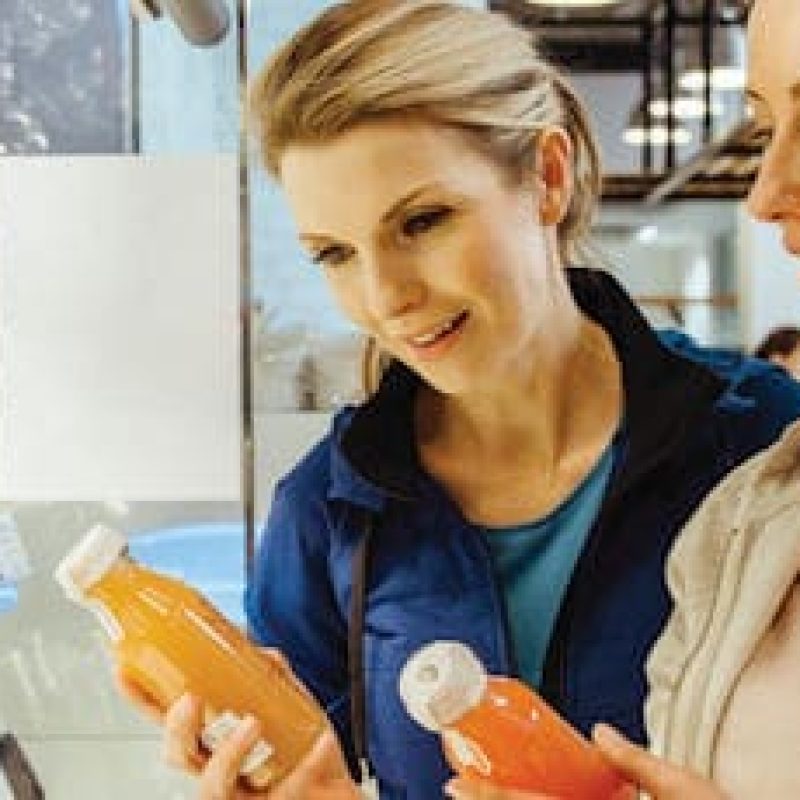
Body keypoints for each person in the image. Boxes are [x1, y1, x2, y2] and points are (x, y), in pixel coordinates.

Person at [128, 1, 800, 798]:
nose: (386, 297)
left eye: (422, 221)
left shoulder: (763, 446)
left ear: (548, 177)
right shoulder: (328, 517)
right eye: (335, 254)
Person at [448, 0, 800, 797]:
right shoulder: (750, 511)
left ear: (549, 180)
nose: (766, 192)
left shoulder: (738, 430)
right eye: (764, 126)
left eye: (429, 220)